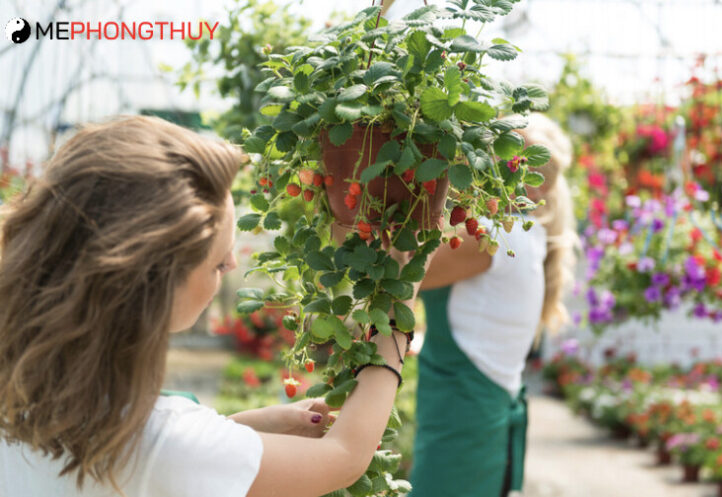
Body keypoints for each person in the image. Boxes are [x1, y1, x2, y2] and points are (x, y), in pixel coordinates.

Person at [0, 116, 433, 497]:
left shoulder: (28, 394)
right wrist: (398, 306)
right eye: (217, 262)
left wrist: (237, 430)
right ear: (154, 284)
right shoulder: (167, 445)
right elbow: (345, 457)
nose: (231, 265)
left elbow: (154, 449)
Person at [408, 113, 578, 497]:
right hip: (477, 421)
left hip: (463, 428)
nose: (479, 156)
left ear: (537, 183)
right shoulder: (522, 235)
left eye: (502, 149)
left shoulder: (498, 237)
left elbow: (402, 271)